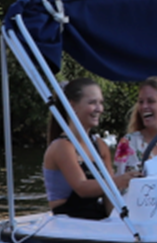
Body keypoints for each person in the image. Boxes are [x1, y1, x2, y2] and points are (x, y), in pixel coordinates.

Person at [43, 78, 115, 219]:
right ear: (73, 106)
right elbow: (82, 188)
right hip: (68, 220)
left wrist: (116, 221)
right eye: (92, 102)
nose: (99, 109)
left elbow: (109, 194)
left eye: (101, 103)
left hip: (95, 218)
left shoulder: (100, 146)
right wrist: (120, 180)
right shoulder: (62, 146)